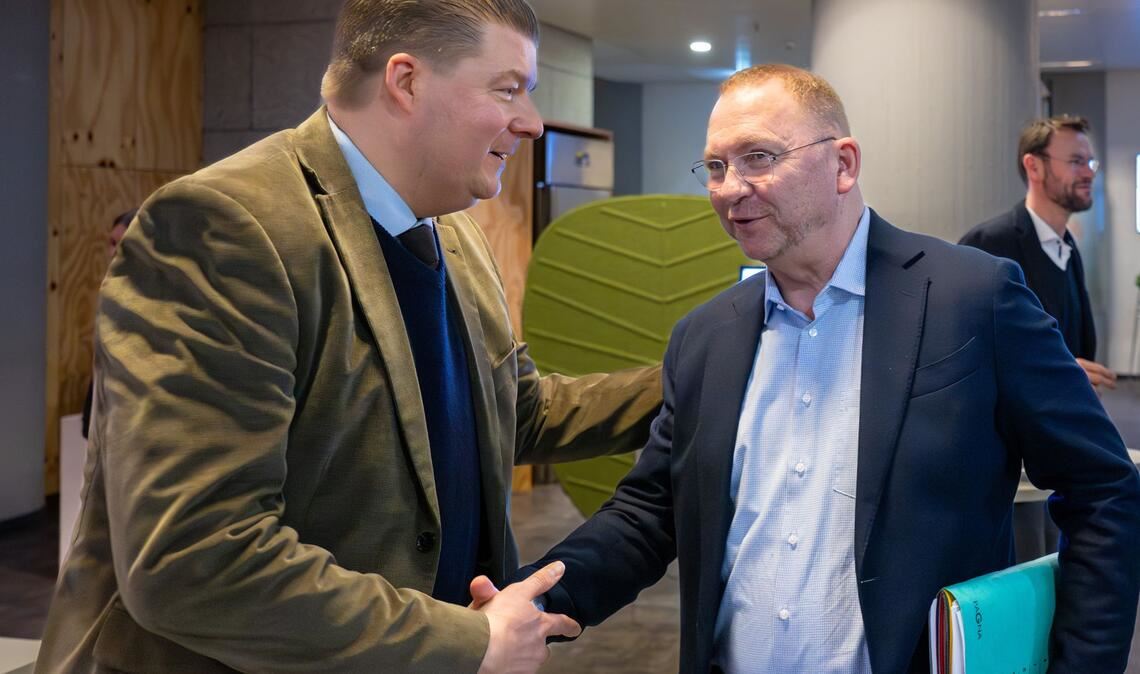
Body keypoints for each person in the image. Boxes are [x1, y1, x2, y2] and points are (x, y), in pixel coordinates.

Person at [36, 1, 661, 672]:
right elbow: (194, 558)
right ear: (406, 81)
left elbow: (515, 411)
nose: (532, 122)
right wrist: (465, 641)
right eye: (508, 88)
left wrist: (707, 370)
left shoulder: (451, 231)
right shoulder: (227, 227)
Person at [503, 65, 1140, 672]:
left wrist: (1082, 663)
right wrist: (534, 601)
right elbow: (651, 512)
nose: (729, 189)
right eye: (717, 167)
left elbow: (1104, 492)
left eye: (759, 157)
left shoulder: (974, 298)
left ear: (843, 164)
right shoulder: (705, 338)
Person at [960, 115, 1116, 392]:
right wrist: (1055, 370)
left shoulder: (1067, 248)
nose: (1090, 173)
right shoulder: (989, 244)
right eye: (1076, 161)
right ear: (1034, 167)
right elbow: (963, 348)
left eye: (1090, 162)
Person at [81, 208, 137, 440]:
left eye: (122, 244)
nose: (114, 252)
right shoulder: (111, 291)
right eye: (111, 243)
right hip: (103, 404)